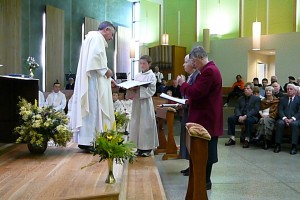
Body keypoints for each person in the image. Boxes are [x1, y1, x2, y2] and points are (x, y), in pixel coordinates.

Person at [177, 46, 223, 190]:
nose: (194, 66)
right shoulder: (208, 70)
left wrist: (182, 84)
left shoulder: (209, 71)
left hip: (206, 119)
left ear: (199, 58)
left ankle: (204, 182)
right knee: (202, 151)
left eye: (194, 62)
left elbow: (196, 92)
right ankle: (202, 180)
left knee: (205, 152)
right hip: (205, 117)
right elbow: (202, 95)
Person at [71, 21, 115, 151]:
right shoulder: (97, 38)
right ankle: (90, 141)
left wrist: (109, 78)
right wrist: (107, 71)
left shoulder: (90, 38)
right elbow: (95, 60)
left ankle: (85, 140)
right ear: (106, 30)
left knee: (89, 111)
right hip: (92, 83)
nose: (111, 38)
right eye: (111, 34)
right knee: (93, 109)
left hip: (90, 80)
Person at [126, 55, 158, 157]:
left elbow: (152, 90)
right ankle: (139, 147)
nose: (142, 65)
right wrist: (132, 89)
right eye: (141, 63)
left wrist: (139, 89)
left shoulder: (152, 76)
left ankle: (146, 148)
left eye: (144, 63)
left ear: (149, 64)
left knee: (145, 124)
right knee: (137, 124)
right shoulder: (138, 75)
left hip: (145, 103)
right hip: (137, 102)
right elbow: (133, 87)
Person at [178, 54, 200, 176]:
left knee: (191, 139)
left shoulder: (197, 76)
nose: (183, 64)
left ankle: (193, 166)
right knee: (186, 138)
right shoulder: (191, 76)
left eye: (185, 62)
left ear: (192, 63)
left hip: (192, 110)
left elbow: (192, 93)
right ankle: (190, 164)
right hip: (187, 108)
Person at [225, 82, 260, 148]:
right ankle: (232, 138)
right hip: (241, 116)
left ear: (252, 90)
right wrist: (239, 116)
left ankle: (247, 139)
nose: (245, 90)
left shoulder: (256, 99)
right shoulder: (241, 98)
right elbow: (237, 108)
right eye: (245, 88)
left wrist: (246, 116)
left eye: (247, 88)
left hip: (251, 117)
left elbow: (255, 110)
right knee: (231, 118)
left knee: (248, 120)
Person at [274, 84, 300, 155]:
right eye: (288, 89)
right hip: (283, 118)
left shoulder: (299, 99)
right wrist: (284, 118)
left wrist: (292, 119)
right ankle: (278, 145)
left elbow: (299, 112)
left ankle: (294, 146)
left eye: (291, 89)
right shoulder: (283, 99)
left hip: (295, 119)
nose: (289, 90)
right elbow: (280, 110)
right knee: (279, 123)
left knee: (294, 124)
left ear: (295, 91)